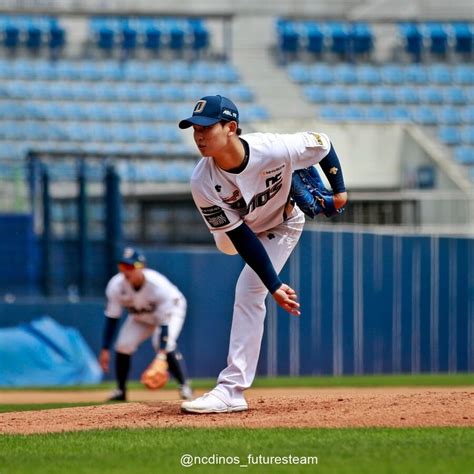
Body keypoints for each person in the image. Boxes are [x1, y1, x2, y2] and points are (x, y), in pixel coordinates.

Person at [178, 95, 347, 413]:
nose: (198, 134)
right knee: (232, 250)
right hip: (235, 233)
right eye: (194, 128)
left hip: (281, 225)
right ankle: (290, 178)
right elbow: (240, 238)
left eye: (206, 127)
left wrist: (339, 191)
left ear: (231, 128)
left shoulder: (273, 147)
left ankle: (231, 391)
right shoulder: (202, 180)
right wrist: (274, 283)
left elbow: (323, 143)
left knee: (247, 290)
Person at [99, 247, 193, 402]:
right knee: (123, 345)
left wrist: (161, 357)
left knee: (163, 343)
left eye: (131, 266)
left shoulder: (158, 286)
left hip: (172, 309)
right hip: (141, 316)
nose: (126, 271)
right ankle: (120, 391)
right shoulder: (116, 285)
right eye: (123, 266)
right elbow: (112, 317)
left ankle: (184, 385)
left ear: (142, 266)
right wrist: (105, 349)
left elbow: (164, 325)